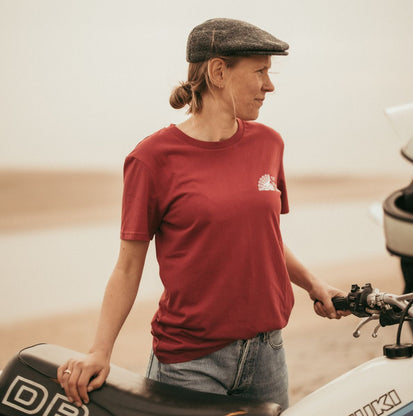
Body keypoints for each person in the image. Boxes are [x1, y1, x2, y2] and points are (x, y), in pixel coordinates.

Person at [57, 17, 348, 410]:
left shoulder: (269, 143)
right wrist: (99, 350)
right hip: (190, 363)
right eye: (260, 71)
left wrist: (314, 284)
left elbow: (265, 239)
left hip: (267, 352)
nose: (270, 85)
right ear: (218, 72)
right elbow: (128, 268)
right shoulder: (151, 159)